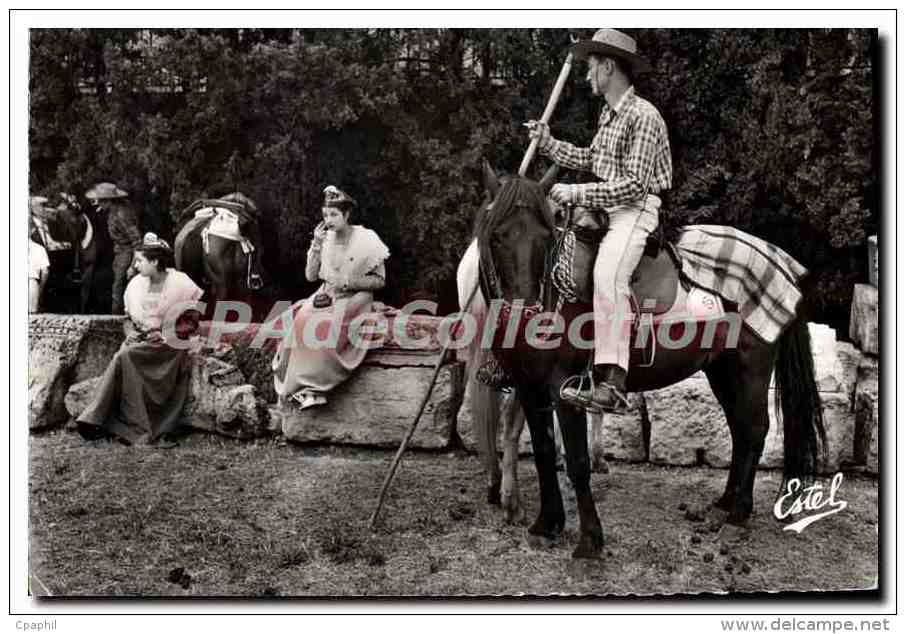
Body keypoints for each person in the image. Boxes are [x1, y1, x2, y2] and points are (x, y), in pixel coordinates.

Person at [526, 28, 672, 412]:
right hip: (608, 208)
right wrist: (548, 142)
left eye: (591, 67)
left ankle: (613, 382)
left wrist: (577, 193)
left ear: (608, 67)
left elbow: (634, 186)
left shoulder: (644, 115)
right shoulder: (609, 113)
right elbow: (593, 160)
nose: (588, 75)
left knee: (608, 276)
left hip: (635, 210)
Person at [76, 233, 204, 447]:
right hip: (141, 342)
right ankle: (107, 421)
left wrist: (164, 334)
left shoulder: (181, 283)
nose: (135, 266)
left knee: (124, 356)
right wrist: (130, 333)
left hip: (170, 345)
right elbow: (128, 320)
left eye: (139, 261)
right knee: (125, 353)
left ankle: (98, 418)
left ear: (154, 261)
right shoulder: (136, 284)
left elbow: (192, 321)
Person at [272, 185, 390, 410]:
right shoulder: (324, 239)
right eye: (325, 215)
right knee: (302, 320)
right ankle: (299, 389)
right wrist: (316, 245)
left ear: (346, 215)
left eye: (334, 214)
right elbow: (310, 276)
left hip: (357, 294)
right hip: (327, 293)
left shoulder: (366, 238)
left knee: (327, 326)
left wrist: (347, 281)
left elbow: (380, 281)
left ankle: (317, 388)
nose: (329, 220)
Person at [85, 182, 142, 314]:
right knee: (117, 287)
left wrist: (133, 265)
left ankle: (116, 320)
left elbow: (136, 240)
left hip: (126, 254)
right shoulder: (114, 211)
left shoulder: (122, 214)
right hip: (120, 253)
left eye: (100, 201)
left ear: (108, 201)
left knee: (118, 289)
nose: (98, 204)